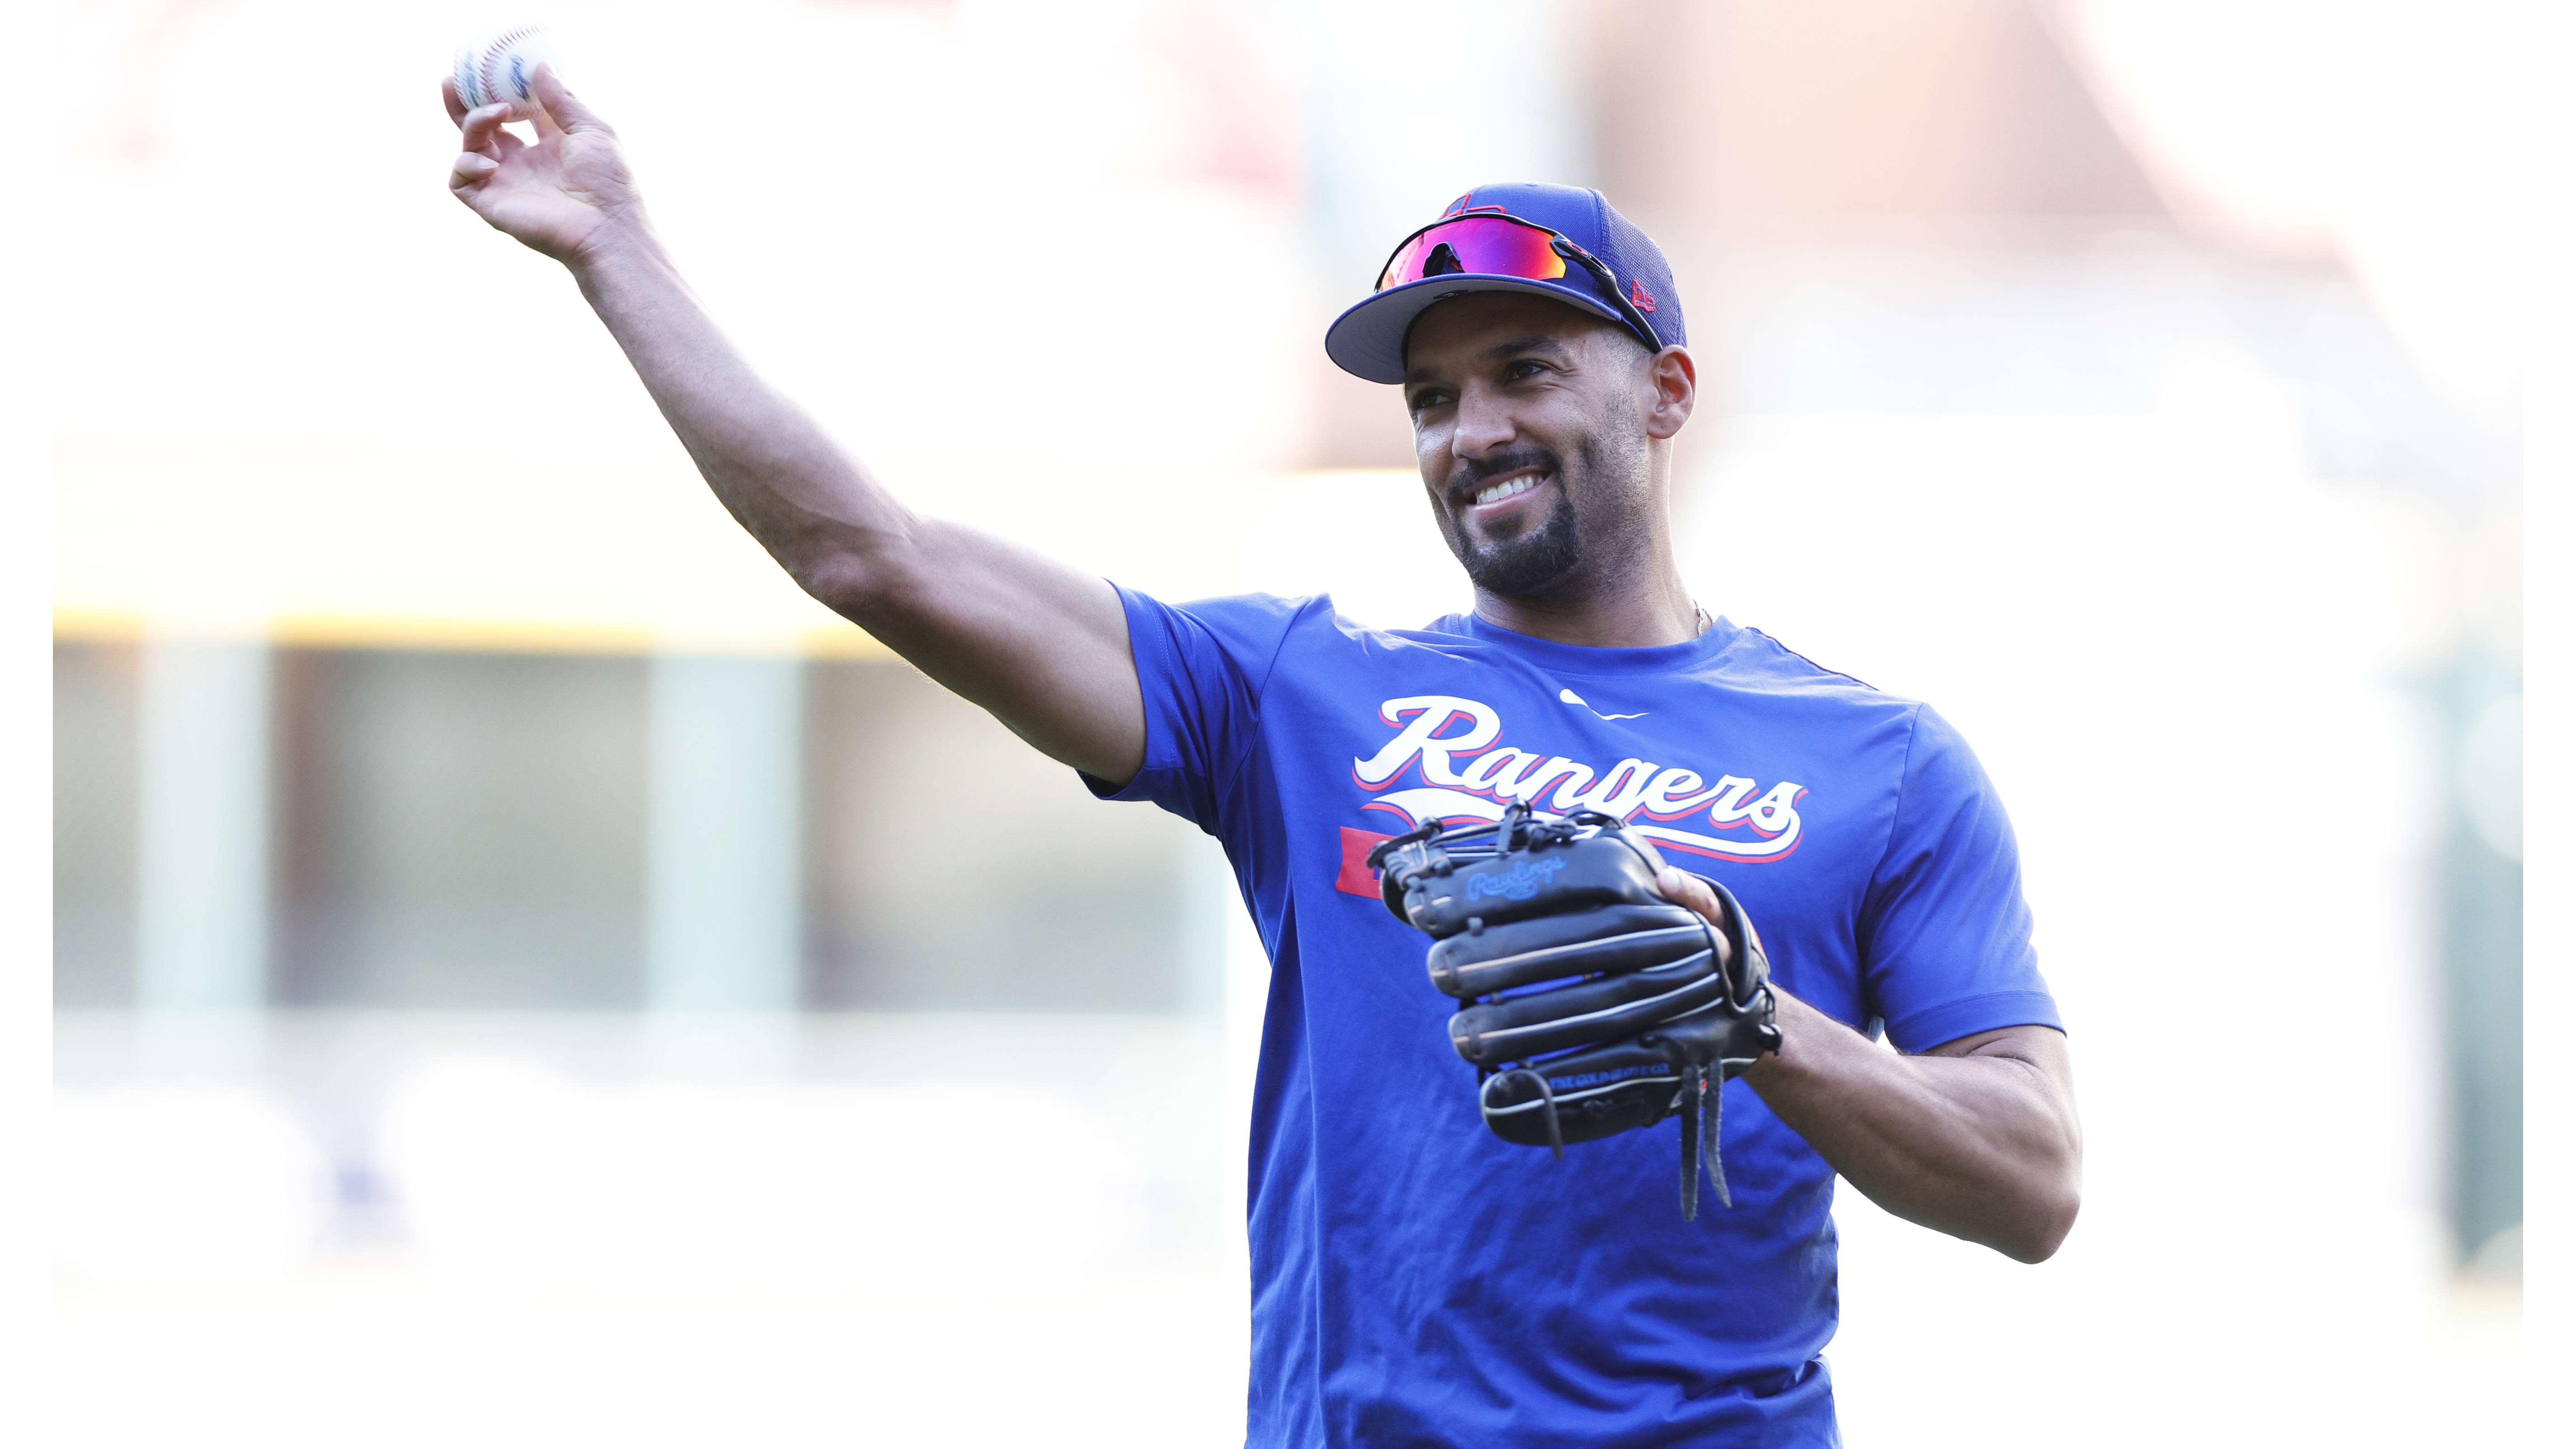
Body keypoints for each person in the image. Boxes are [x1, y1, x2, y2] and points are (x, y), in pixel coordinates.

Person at [445, 66, 2082, 1449]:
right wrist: (612, 249)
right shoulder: (1296, 691)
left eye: (1523, 369)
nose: (1470, 429)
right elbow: (876, 558)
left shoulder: (1877, 762)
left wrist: (1749, 1019)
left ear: (1664, 393)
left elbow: (2031, 1182)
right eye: (1431, 397)